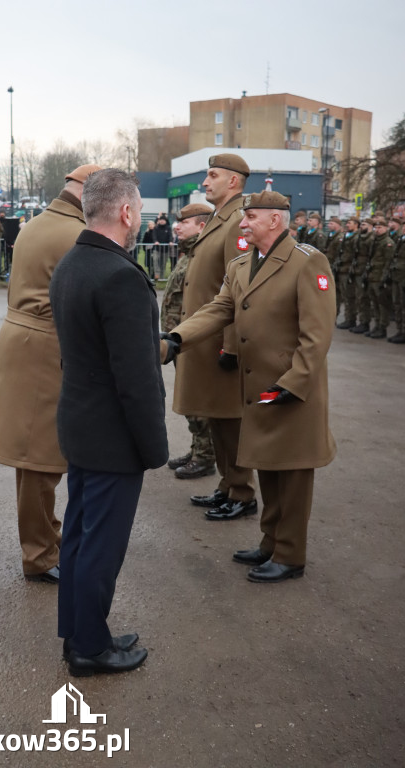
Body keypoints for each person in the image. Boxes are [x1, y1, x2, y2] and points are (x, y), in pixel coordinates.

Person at [163, 190, 337, 582]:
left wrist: (293, 383)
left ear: (275, 220)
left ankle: (290, 555)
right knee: (269, 468)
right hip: (259, 388)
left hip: (292, 390)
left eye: (251, 217)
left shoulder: (308, 263)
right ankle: (270, 543)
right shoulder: (242, 264)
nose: (243, 224)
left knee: (292, 475)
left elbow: (317, 334)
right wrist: (176, 339)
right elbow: (219, 309)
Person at [50, 168, 168, 677]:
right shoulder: (120, 275)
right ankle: (90, 650)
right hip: (111, 436)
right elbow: (135, 379)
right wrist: (154, 447)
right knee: (100, 546)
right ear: (124, 212)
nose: (139, 217)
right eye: (138, 209)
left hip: (81, 426)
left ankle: (80, 633)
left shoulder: (73, 262)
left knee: (78, 536)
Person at [0, 164, 101, 583]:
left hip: (28, 342)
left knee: (35, 458)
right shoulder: (74, 232)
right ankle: (40, 554)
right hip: (45, 348)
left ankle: (44, 544)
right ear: (88, 191)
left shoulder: (41, 223)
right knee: (40, 460)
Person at [173, 154, 256, 521]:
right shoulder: (219, 220)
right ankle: (227, 486)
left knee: (230, 420)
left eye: (212, 176)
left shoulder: (238, 221)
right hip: (204, 338)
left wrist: (232, 345)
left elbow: (243, 291)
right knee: (217, 419)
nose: (205, 183)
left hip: (221, 343)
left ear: (233, 182)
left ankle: (241, 492)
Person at [161, 203, 215, 479]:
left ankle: (205, 456)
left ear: (202, 226)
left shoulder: (203, 255)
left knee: (196, 401)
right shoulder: (189, 253)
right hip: (178, 339)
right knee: (188, 399)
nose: (177, 226)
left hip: (192, 340)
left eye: (184, 223)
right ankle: (197, 450)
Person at [362, 217, 395, 339]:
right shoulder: (374, 241)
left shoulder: (388, 242)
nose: (377, 230)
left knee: (382, 304)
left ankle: (382, 327)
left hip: (380, 277)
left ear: (386, 228)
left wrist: (384, 278)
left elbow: (389, 262)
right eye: (375, 227)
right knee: (374, 304)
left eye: (380, 227)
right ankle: (376, 325)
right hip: (372, 276)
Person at [349, 217, 374, 334]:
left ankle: (365, 322)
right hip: (358, 270)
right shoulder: (360, 237)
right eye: (362, 225)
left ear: (370, 226)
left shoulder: (371, 239)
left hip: (365, 271)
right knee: (358, 297)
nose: (362, 227)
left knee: (363, 298)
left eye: (364, 225)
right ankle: (360, 321)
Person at [335, 216, 360, 329]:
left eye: (350, 223)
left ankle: (350, 319)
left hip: (349, 270)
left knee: (349, 297)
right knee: (343, 295)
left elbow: (355, 255)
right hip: (342, 269)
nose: (347, 225)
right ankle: (347, 318)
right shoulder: (346, 236)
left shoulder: (356, 238)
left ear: (356, 225)